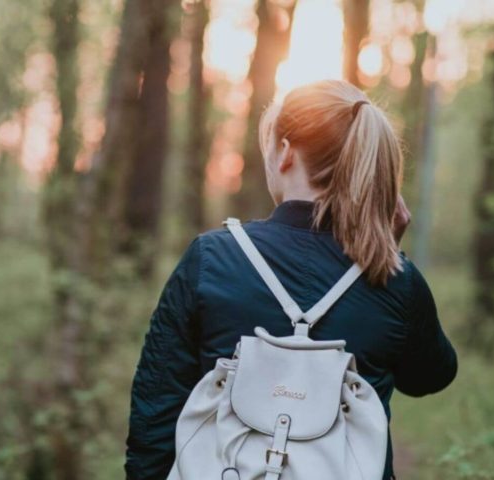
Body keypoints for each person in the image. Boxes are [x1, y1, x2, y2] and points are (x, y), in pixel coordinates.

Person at [124, 79, 458, 480]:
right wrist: (389, 259)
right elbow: (429, 376)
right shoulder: (395, 281)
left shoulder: (212, 259)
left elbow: (155, 411)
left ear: (284, 153)